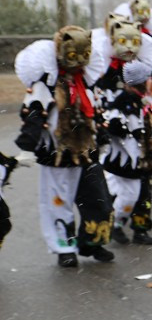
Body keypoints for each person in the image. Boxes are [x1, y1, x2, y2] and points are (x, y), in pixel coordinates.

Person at [14, 26, 115, 267]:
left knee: (98, 199)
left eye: (84, 55)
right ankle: (64, 247)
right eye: (73, 55)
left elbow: (97, 112)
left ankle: (93, 242)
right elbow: (34, 113)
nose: (79, 61)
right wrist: (27, 145)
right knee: (58, 202)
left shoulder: (87, 84)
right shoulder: (45, 85)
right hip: (57, 153)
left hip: (87, 152)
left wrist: (102, 135)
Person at [100, 60, 152, 245]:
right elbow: (115, 126)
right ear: (141, 82)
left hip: (141, 160)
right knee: (130, 195)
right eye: (148, 79)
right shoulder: (124, 102)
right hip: (127, 161)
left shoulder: (140, 101)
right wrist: (122, 129)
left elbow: (145, 126)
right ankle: (115, 224)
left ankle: (138, 229)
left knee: (142, 195)